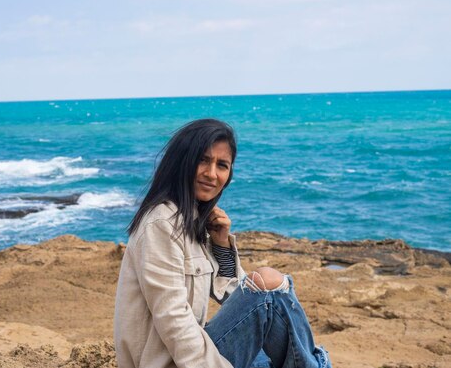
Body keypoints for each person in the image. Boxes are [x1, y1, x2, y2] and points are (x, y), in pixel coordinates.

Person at [113, 118, 331, 368]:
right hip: (173, 362)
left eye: (222, 165)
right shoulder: (161, 224)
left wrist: (221, 246)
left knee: (271, 324)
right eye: (203, 160)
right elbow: (173, 321)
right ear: (182, 160)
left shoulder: (190, 221)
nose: (211, 173)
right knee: (269, 287)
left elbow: (235, 300)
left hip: (189, 355)